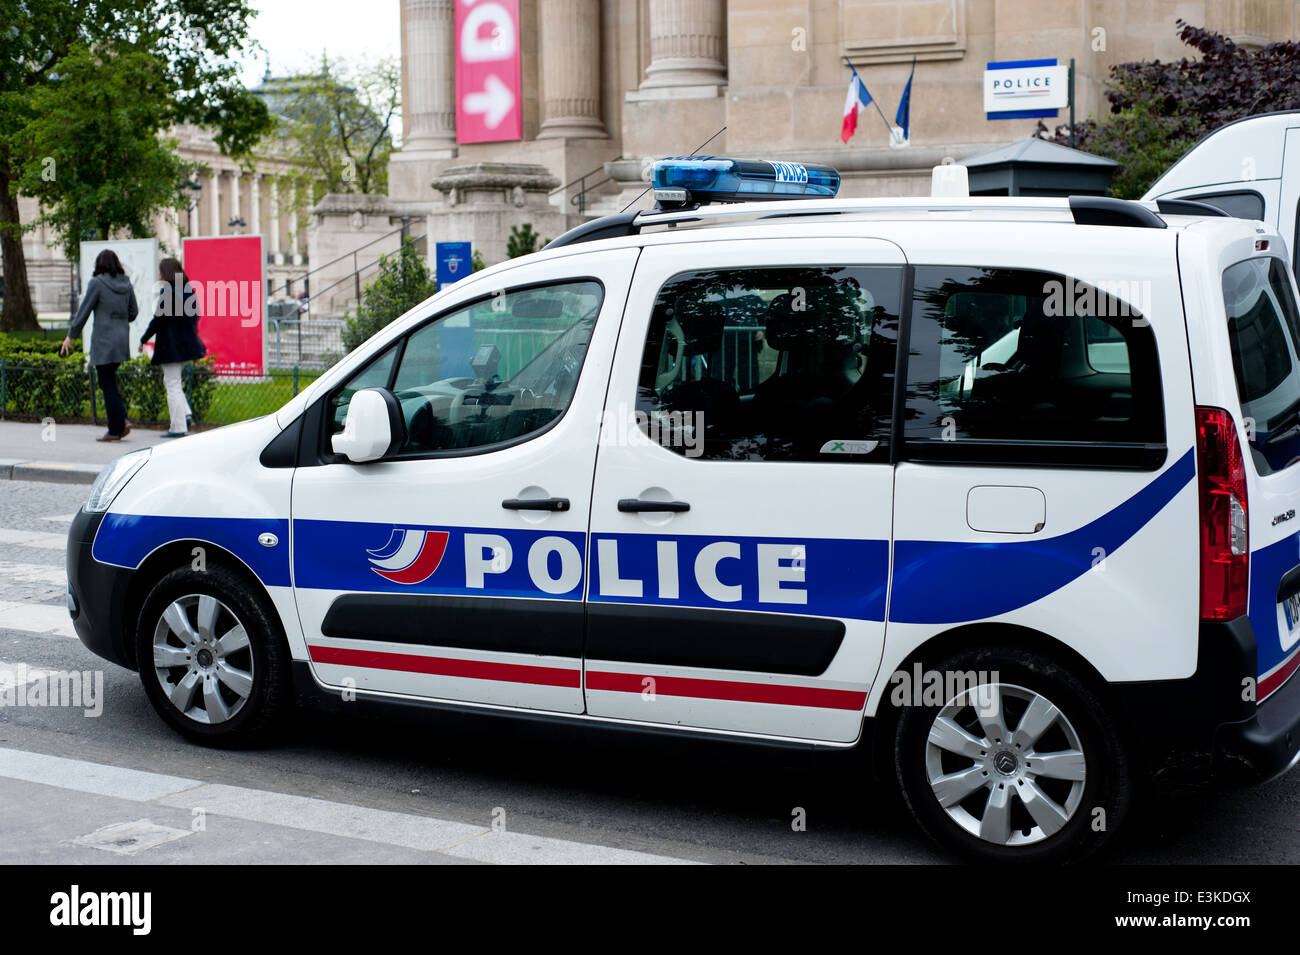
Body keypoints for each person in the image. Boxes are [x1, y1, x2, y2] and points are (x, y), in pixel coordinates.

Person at [61, 250, 138, 442]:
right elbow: (134, 312)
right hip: (121, 340)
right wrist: (119, 321)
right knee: (110, 381)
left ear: (99, 264)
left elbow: (84, 311)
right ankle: (121, 421)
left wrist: (71, 336)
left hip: (104, 340)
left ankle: (115, 429)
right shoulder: (126, 283)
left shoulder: (97, 283)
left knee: (107, 384)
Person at [139, 257, 205, 437]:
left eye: (160, 271)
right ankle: (186, 415)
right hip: (187, 346)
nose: (159, 274)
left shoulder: (168, 292)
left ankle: (178, 427)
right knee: (173, 382)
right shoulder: (188, 290)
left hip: (172, 347)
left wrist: (143, 339)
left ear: (166, 273)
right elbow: (196, 315)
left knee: (172, 384)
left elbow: (158, 321)